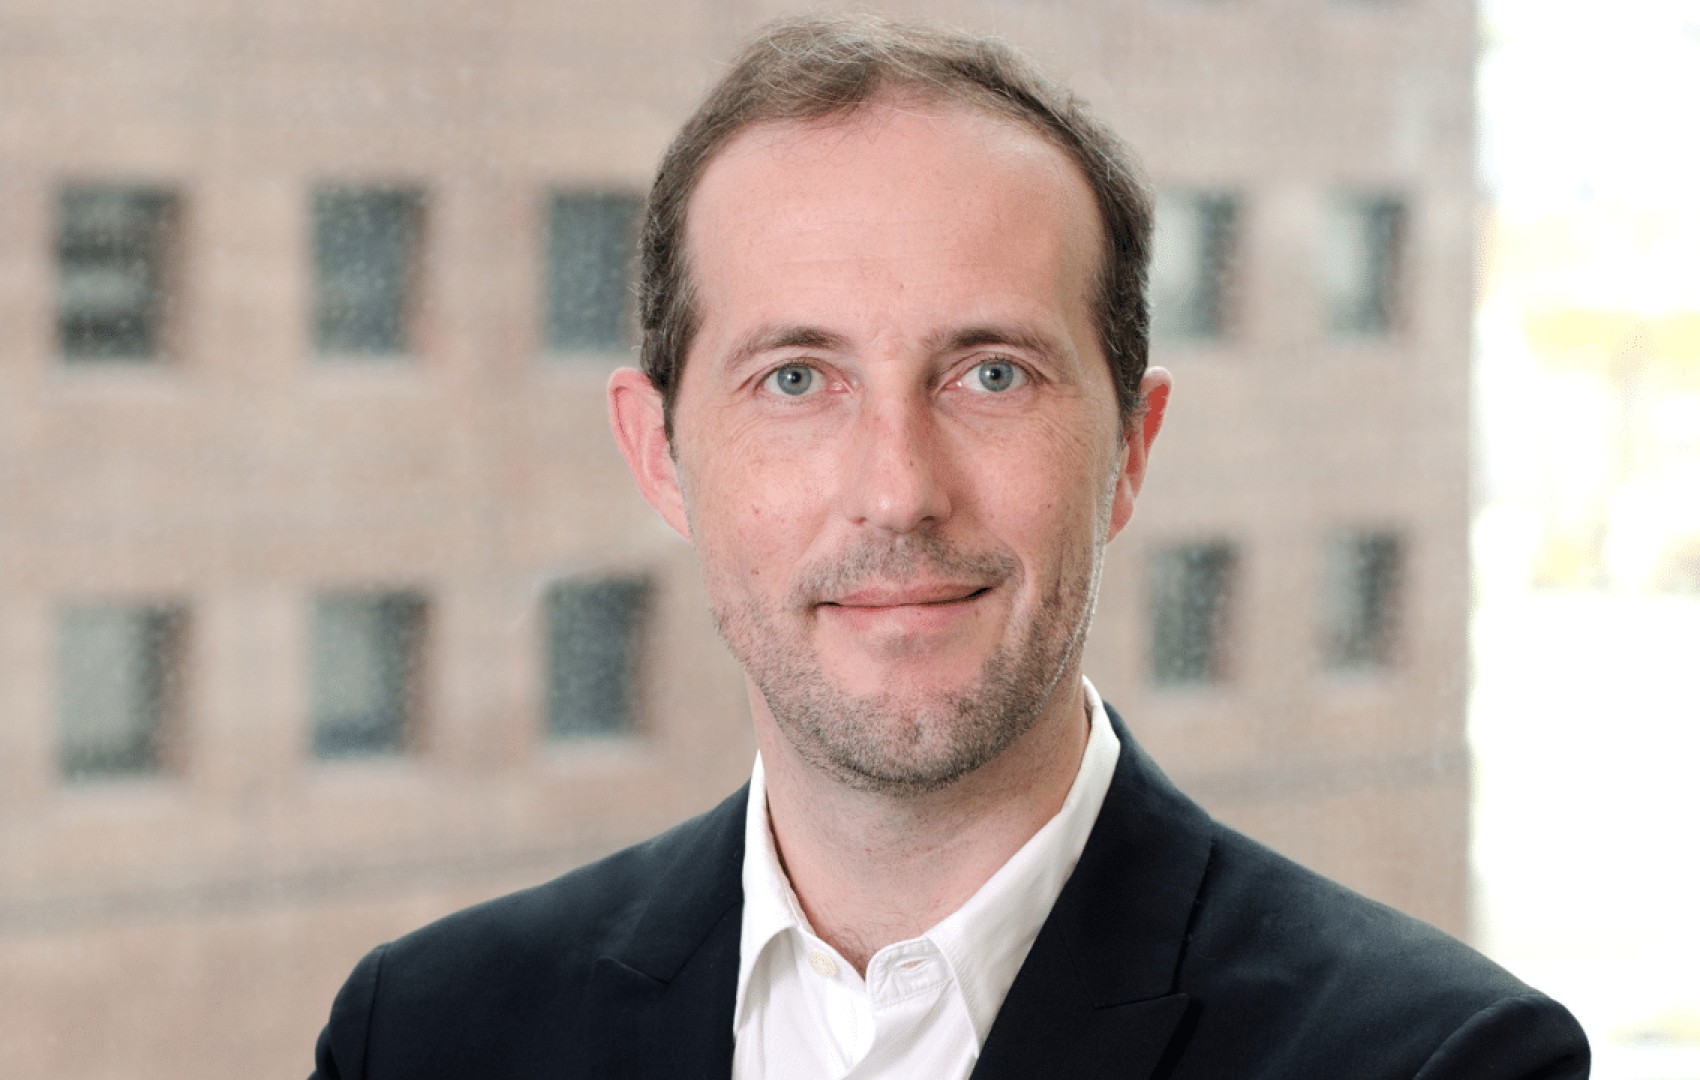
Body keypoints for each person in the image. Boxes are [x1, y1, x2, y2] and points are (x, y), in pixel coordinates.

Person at [311, 14, 1589, 1079]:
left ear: (1128, 448)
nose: (898, 491)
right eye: (796, 378)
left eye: (990, 374)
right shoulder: (422, 1036)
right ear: (658, 456)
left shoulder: (1438, 1062)